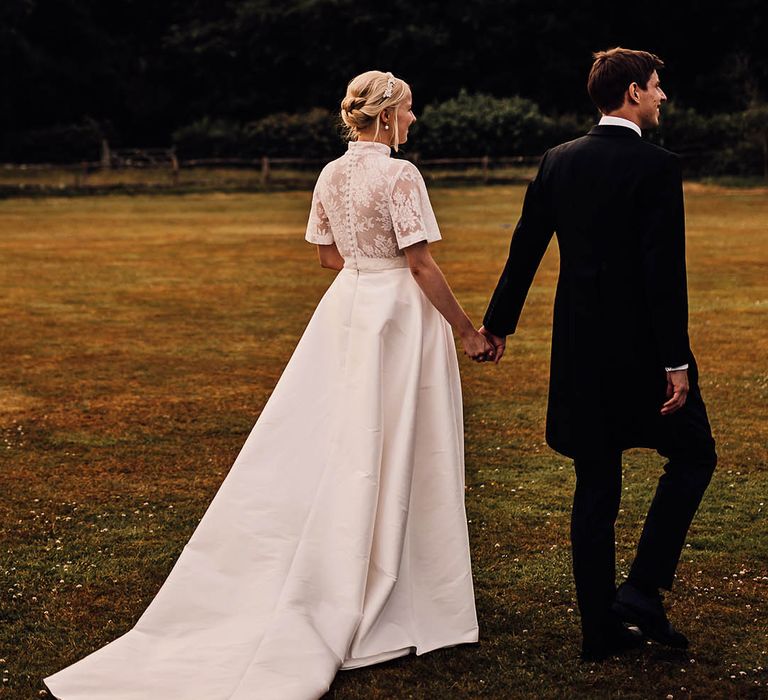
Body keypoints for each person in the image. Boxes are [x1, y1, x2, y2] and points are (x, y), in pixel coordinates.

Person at [44, 70, 489, 699]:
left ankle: (347, 559)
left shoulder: (331, 174)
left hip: (348, 310)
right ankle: (403, 586)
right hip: (398, 315)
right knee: (403, 439)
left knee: (345, 439)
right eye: (410, 110)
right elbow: (420, 261)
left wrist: (365, 268)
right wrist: (468, 331)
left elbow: (326, 256)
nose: (415, 120)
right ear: (387, 116)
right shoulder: (401, 175)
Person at [479, 48, 717, 662]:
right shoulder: (658, 167)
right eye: (658, 87)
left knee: (596, 482)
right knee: (695, 454)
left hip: (582, 351)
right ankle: (638, 592)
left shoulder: (559, 161)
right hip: (642, 354)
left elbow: (525, 248)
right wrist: (676, 362)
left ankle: (600, 632)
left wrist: (498, 324)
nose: (663, 97)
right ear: (634, 92)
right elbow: (663, 273)